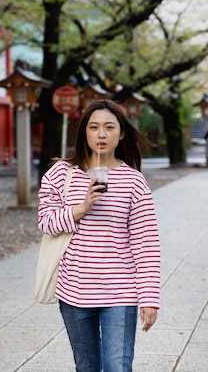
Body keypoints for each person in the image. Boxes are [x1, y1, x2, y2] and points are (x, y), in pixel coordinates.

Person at [38, 99, 160, 372]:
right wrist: (81, 208)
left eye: (109, 127)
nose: (101, 134)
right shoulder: (61, 174)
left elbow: (146, 243)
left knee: (118, 367)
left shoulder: (134, 182)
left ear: (122, 133)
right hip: (74, 290)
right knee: (87, 366)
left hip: (121, 292)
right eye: (93, 127)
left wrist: (150, 297)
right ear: (84, 132)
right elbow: (45, 223)